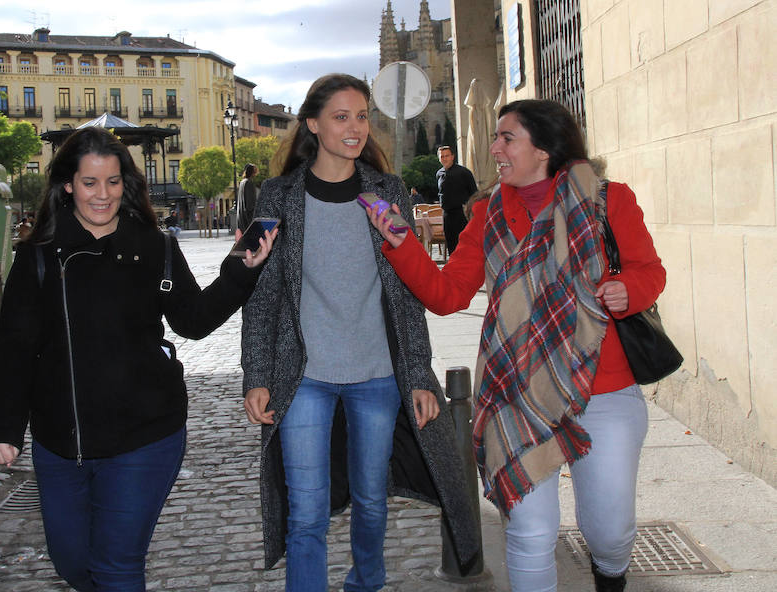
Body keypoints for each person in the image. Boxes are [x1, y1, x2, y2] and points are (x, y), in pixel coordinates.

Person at [368, 99, 665, 592]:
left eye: (508, 137)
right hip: (515, 392)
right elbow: (447, 295)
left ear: (545, 147)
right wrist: (399, 240)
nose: (495, 147)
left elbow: (649, 271)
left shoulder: (609, 200)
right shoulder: (488, 213)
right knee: (529, 532)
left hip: (603, 387)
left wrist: (628, 290)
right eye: (496, 136)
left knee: (609, 533)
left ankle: (609, 575)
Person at [0, 127, 276, 591]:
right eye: (90, 183)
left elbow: (193, 320)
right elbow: (15, 345)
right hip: (63, 443)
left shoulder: (155, 246)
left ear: (127, 184)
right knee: (73, 565)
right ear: (67, 185)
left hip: (145, 436)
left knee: (118, 566)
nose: (103, 195)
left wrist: (240, 271)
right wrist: (4, 424)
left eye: (113, 182)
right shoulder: (38, 256)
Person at [240, 73, 481, 592]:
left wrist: (417, 373)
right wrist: (256, 374)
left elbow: (405, 294)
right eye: (341, 116)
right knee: (306, 514)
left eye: (362, 116)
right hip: (303, 377)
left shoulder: (385, 193)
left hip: (376, 374)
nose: (355, 128)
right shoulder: (278, 197)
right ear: (312, 124)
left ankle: (365, 583)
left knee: (371, 501)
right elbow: (261, 296)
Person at [435, 145, 477, 255]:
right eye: (442, 156)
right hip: (447, 215)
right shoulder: (439, 174)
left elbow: (475, 194)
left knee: (464, 245)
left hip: (462, 214)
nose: (444, 158)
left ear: (452, 156)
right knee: (451, 245)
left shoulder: (464, 173)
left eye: (447, 156)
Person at [236, 163, 260, 231]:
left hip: (242, 217)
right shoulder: (249, 183)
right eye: (255, 171)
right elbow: (250, 204)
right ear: (252, 172)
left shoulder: (242, 182)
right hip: (248, 218)